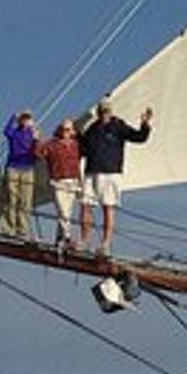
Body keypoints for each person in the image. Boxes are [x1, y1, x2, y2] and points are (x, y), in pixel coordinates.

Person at [79, 99, 152, 256]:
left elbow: (139, 137)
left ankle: (106, 244)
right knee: (85, 206)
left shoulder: (119, 126)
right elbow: (83, 149)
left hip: (111, 173)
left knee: (108, 208)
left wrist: (145, 125)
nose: (103, 114)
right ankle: (84, 240)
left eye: (106, 111)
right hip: (91, 171)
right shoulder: (92, 129)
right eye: (101, 111)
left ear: (110, 112)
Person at [38, 119, 85, 248]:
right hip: (58, 181)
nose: (66, 132)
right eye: (64, 129)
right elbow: (38, 153)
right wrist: (38, 140)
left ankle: (59, 239)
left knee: (67, 213)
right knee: (63, 212)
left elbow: (78, 163)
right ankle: (68, 238)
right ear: (60, 130)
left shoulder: (76, 145)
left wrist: (81, 183)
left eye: (69, 130)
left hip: (73, 181)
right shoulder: (52, 144)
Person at [1, 111, 40, 241]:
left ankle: (22, 229)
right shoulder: (14, 132)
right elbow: (6, 131)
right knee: (12, 198)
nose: (25, 121)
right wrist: (14, 117)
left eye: (27, 118)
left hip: (27, 168)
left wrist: (36, 136)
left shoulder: (33, 132)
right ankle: (10, 227)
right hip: (13, 167)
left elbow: (37, 149)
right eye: (23, 118)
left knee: (25, 200)